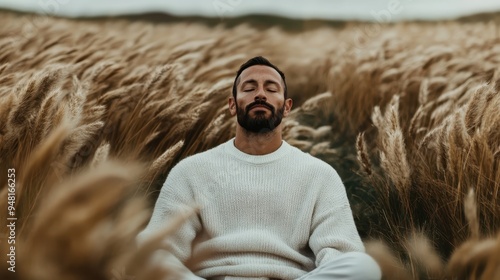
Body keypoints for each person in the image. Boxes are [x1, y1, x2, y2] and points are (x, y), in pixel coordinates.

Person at [137, 56, 382, 280]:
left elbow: (341, 254)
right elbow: (159, 249)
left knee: (363, 266)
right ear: (233, 105)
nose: (260, 94)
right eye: (250, 88)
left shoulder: (319, 174)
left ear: (286, 107)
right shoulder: (191, 171)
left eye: (271, 88)